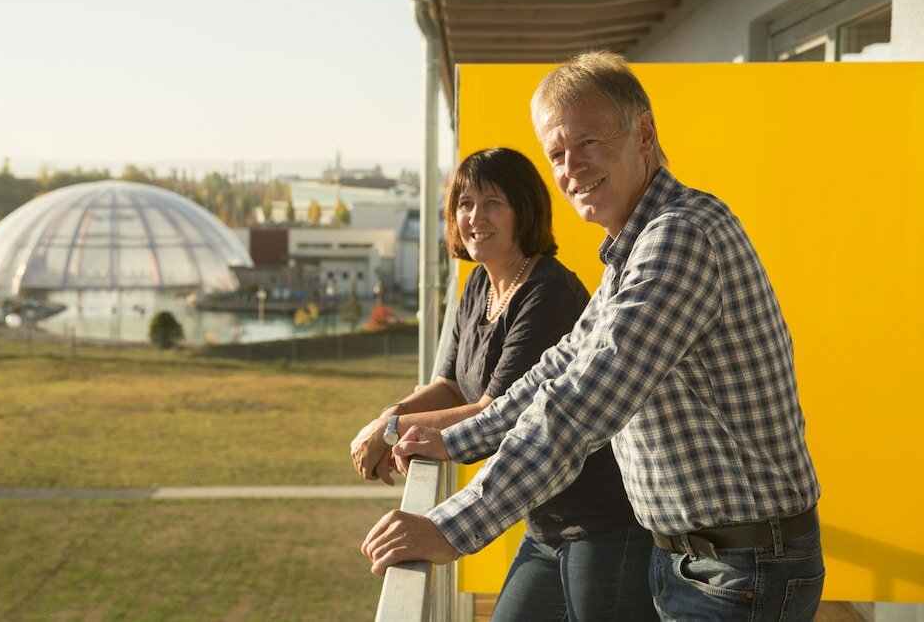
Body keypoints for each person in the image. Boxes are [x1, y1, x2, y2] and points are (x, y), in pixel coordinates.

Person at [362, 51, 824, 622]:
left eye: (589, 143)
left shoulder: (680, 238)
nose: (572, 167)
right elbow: (559, 370)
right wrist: (454, 442)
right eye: (557, 152)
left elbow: (584, 403)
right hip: (698, 558)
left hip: (742, 569)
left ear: (644, 134)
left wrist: (452, 528)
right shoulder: (633, 249)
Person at [350, 146, 656, 620]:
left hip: (604, 525)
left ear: (524, 210)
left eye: (492, 203)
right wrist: (389, 416)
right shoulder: (478, 284)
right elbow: (452, 385)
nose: (474, 217)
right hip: (543, 519)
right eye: (464, 204)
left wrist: (390, 432)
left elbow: (497, 409)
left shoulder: (547, 291)